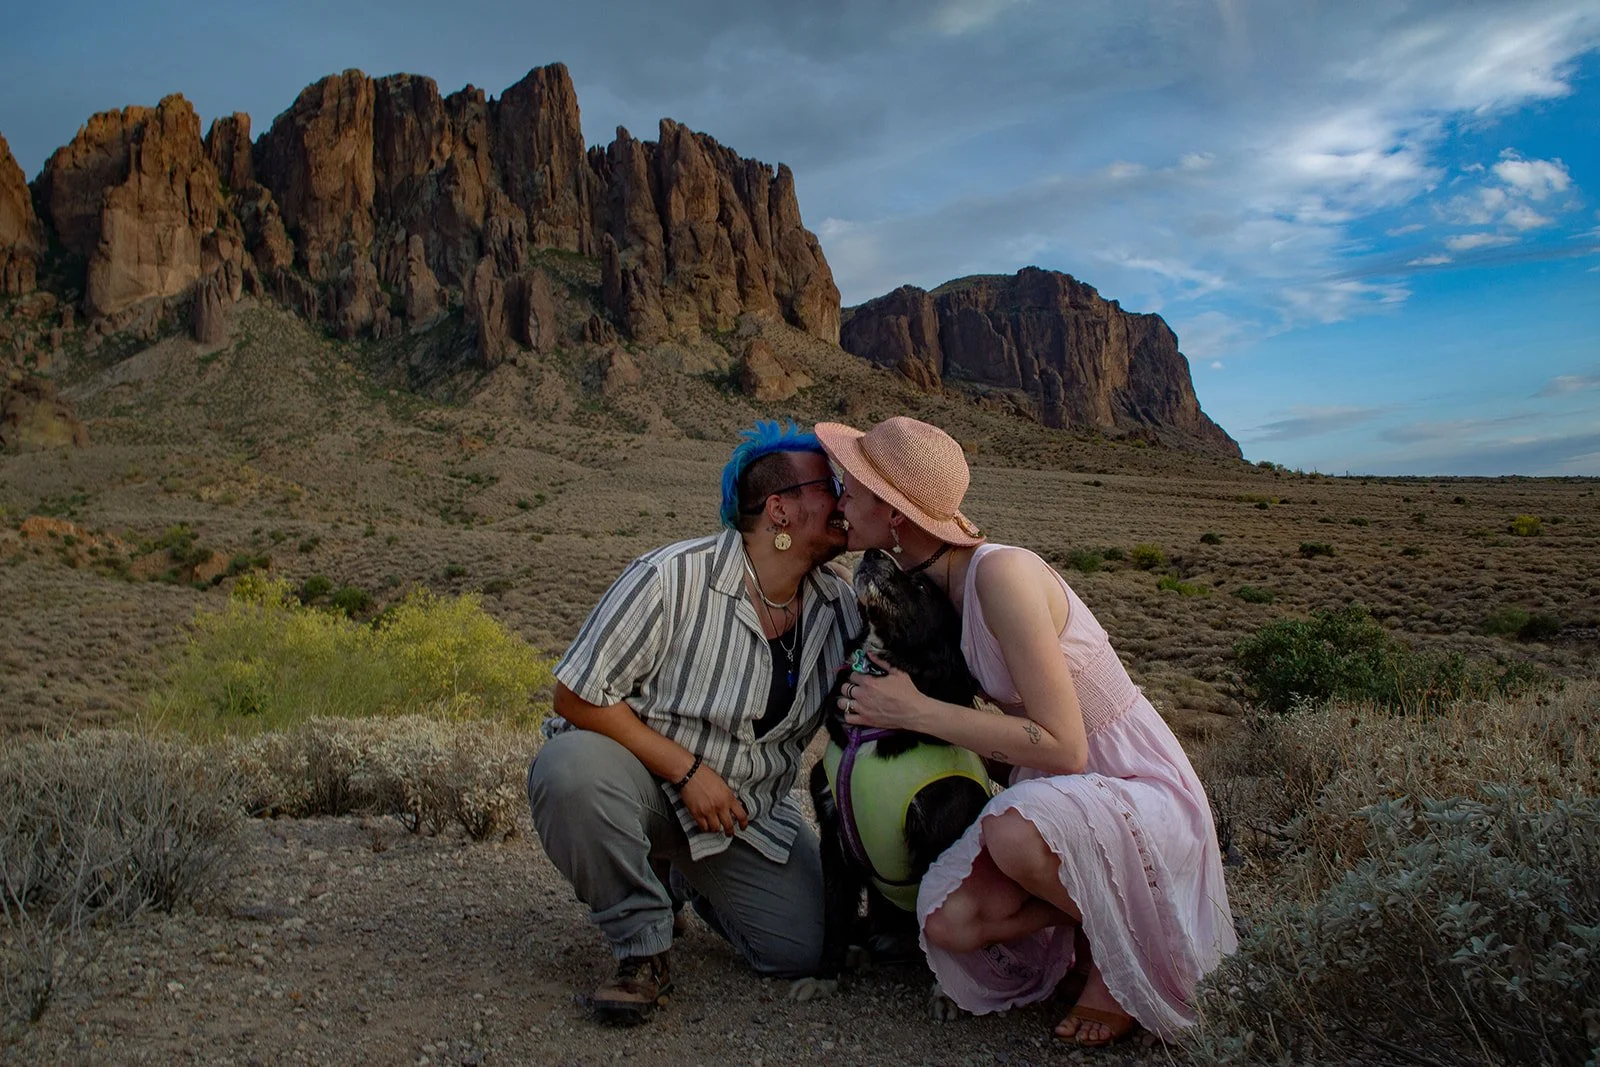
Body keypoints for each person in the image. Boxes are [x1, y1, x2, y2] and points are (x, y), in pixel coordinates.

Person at [814, 415, 1235, 1047]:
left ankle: (1112, 961)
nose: (840, 498)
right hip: (1060, 793)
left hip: (1129, 781)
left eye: (854, 487)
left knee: (1010, 833)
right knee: (947, 919)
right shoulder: (935, 590)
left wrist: (910, 712)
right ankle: (1101, 922)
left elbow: (1067, 746)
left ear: (895, 514)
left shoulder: (1001, 575)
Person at [526, 420, 859, 1024]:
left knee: (806, 949)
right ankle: (641, 949)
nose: (843, 500)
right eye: (828, 486)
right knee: (568, 771)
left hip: (743, 813)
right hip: (645, 785)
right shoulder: (671, 577)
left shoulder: (840, 609)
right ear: (779, 511)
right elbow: (574, 697)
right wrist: (687, 771)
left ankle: (682, 879)